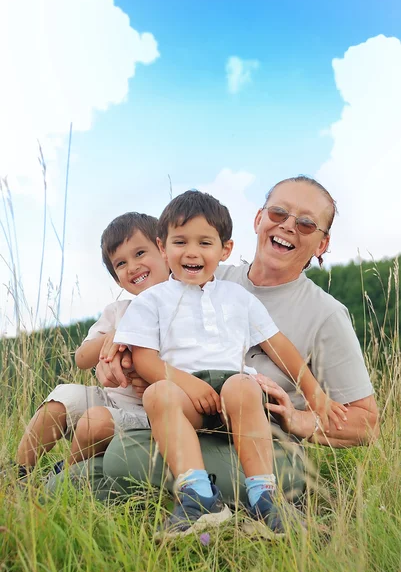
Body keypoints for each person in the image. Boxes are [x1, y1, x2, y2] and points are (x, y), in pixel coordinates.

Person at [55, 176, 379, 534]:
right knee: (82, 473)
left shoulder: (322, 313)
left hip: (258, 434)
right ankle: (206, 502)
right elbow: (148, 309)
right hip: (184, 414)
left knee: (119, 459)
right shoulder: (210, 275)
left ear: (323, 242)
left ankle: (256, 502)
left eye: (305, 223)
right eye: (279, 212)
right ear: (259, 219)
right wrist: (118, 348)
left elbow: (365, 422)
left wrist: (305, 417)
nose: (288, 225)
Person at [113, 190, 347, 537]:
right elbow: (145, 359)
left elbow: (278, 345)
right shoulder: (152, 300)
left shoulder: (238, 297)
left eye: (204, 243)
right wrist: (188, 385)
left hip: (238, 400)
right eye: (180, 242)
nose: (192, 252)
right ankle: (198, 498)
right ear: (163, 248)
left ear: (225, 250)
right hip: (185, 393)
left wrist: (314, 393)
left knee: (241, 384)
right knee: (157, 394)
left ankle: (265, 498)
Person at [15, 212, 169, 475]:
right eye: (120, 263)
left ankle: (64, 476)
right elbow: (82, 358)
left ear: (164, 251)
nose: (132, 266)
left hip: (150, 414)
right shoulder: (119, 311)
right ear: (116, 278)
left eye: (140, 253)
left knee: (94, 422)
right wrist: (117, 332)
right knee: (60, 401)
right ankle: (19, 471)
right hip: (109, 398)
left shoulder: (182, 310)